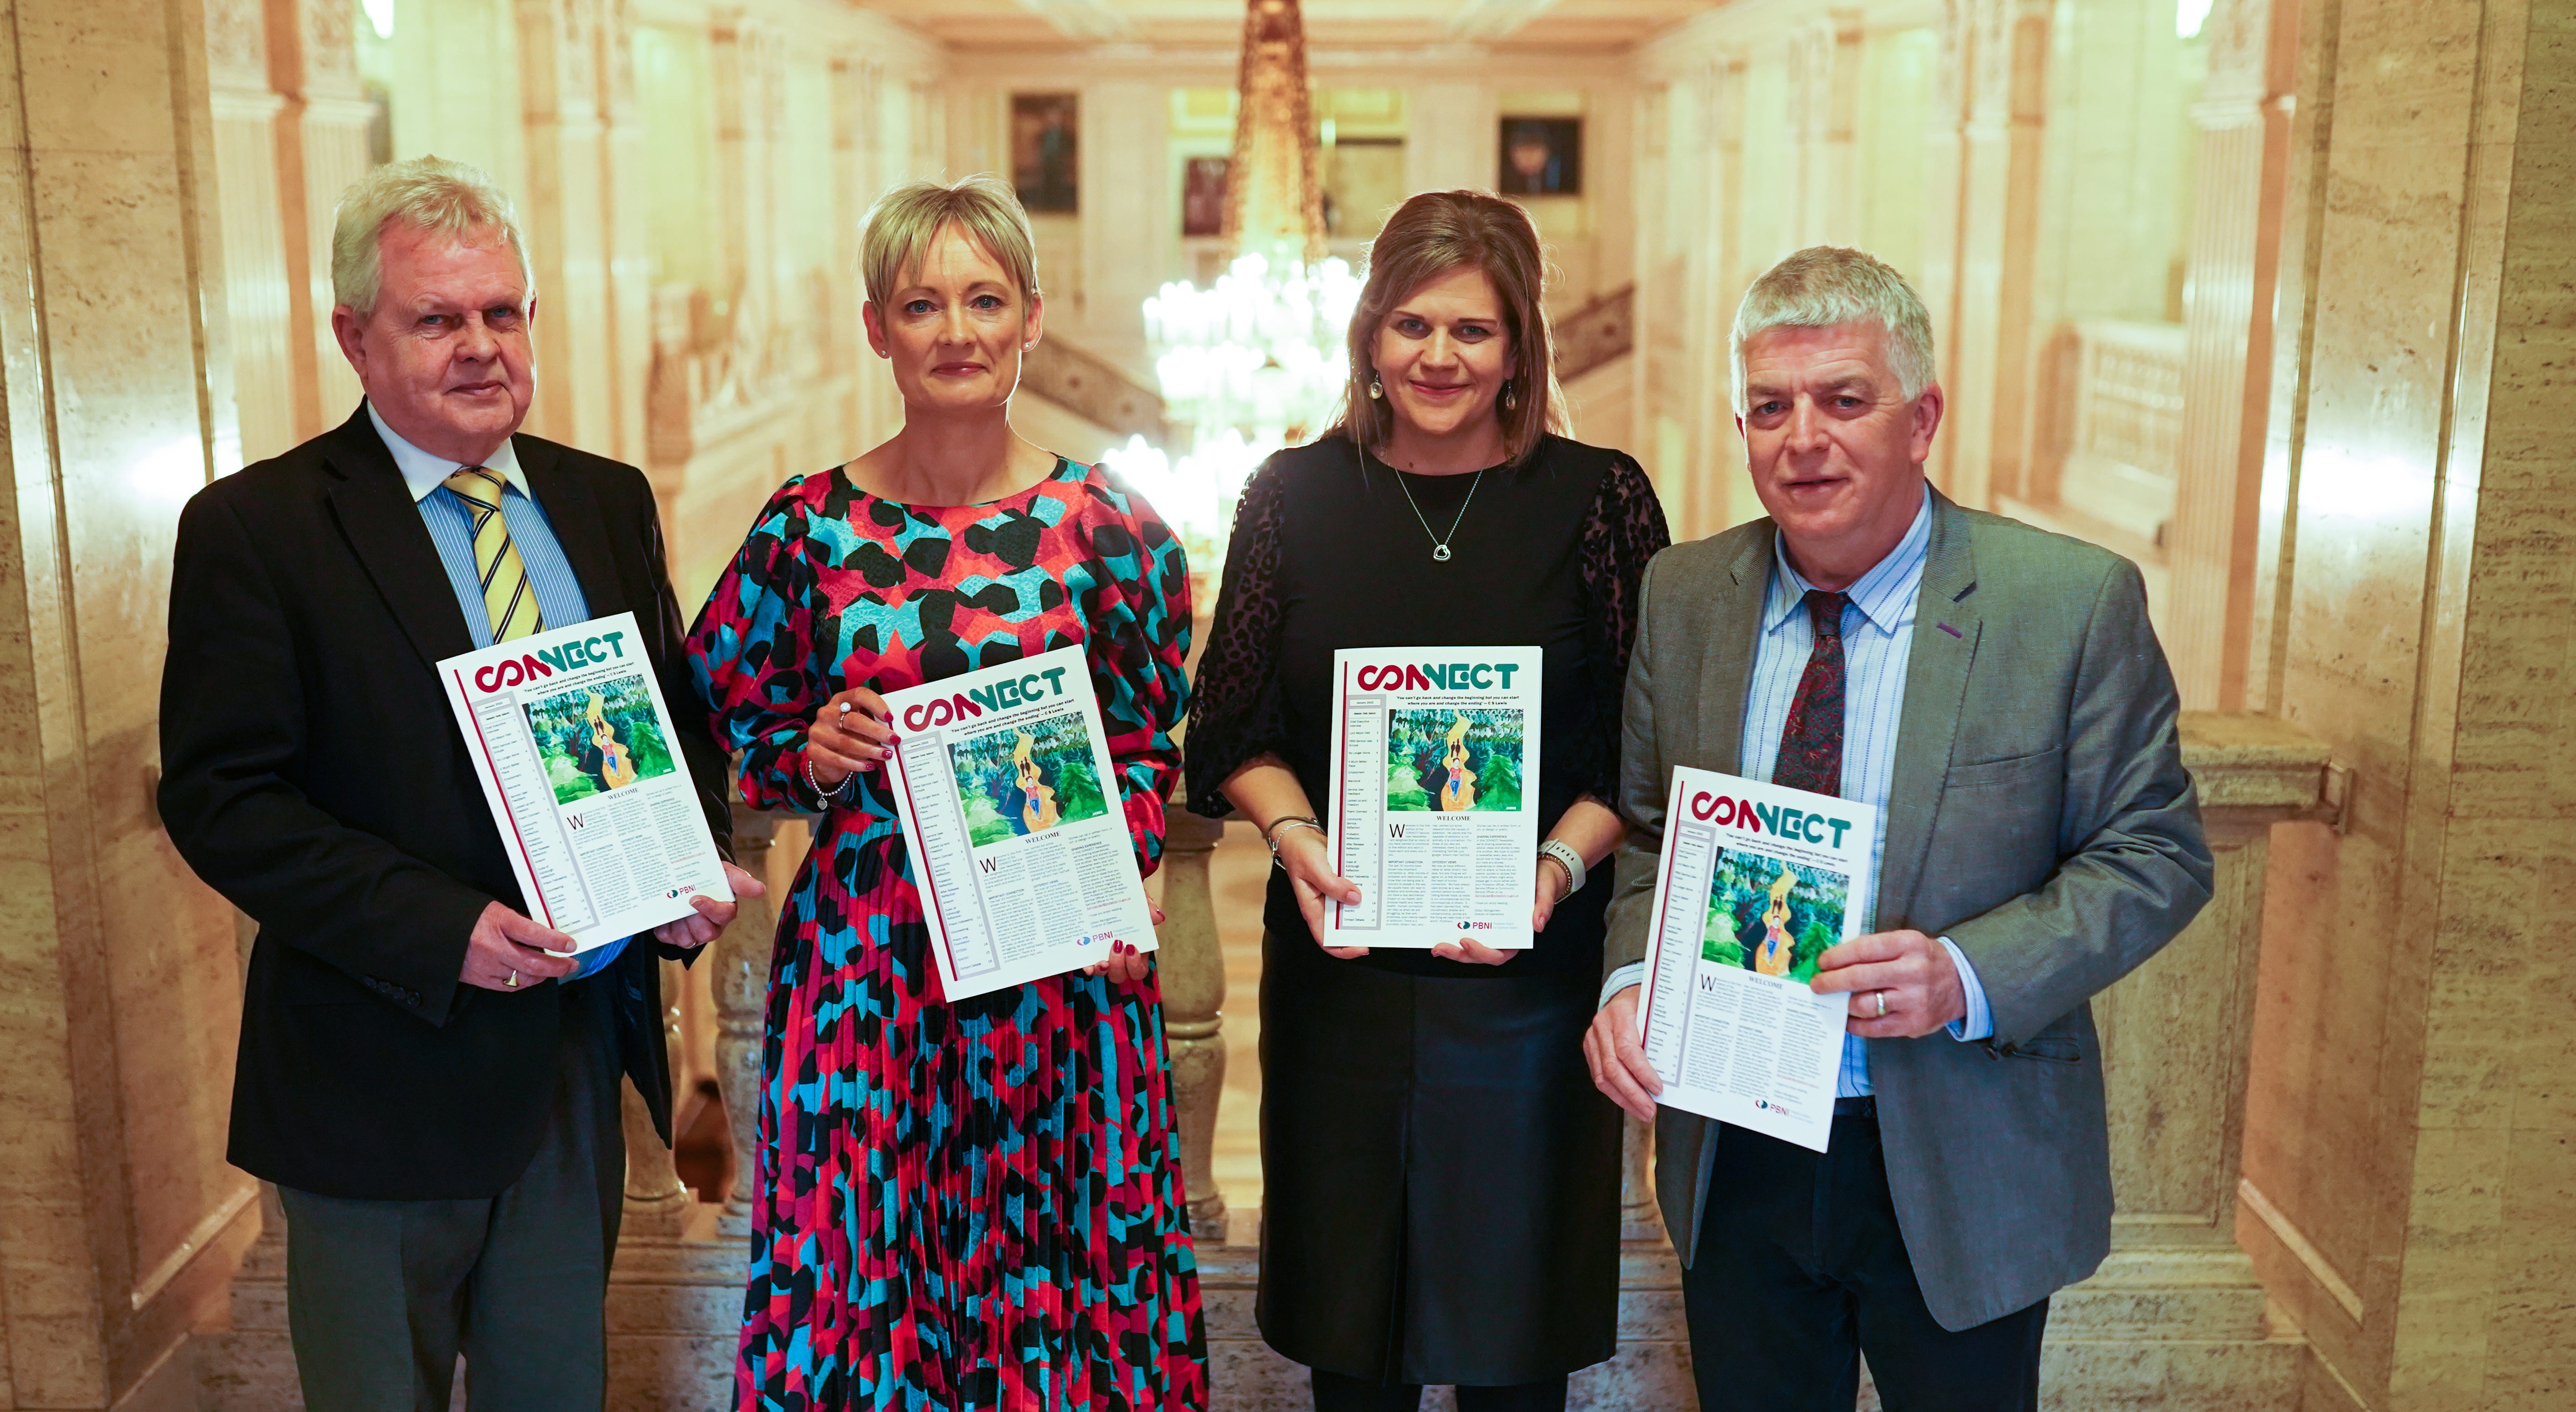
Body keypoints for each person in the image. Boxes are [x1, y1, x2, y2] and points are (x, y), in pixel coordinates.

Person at [157, 155, 757, 1410]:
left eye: (503, 311)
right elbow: (224, 798)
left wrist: (686, 856)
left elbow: (671, 717)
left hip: (574, 1061)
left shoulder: (604, 498)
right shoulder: (258, 530)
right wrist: (446, 931)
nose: (482, 346)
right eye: (438, 318)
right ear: (354, 337)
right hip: (376, 1074)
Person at [1581, 245, 2214, 1412]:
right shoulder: (1683, 596)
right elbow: (1653, 834)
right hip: (1740, 1138)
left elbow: (2157, 854)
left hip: (1961, 1144)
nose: (1801, 438)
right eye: (1770, 407)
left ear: (1920, 419)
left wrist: (1965, 972)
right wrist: (1630, 974)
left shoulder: (2067, 604)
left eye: (1843, 400)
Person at [688, 175, 1205, 1410]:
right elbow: (719, 722)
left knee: (1058, 1277)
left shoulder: (1115, 528)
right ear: (878, 327)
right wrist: (803, 754)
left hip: (1054, 973)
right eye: (924, 303)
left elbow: (1144, 743)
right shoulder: (804, 528)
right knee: (865, 1278)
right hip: (870, 969)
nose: (957, 331)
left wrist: (1117, 867)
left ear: (1033, 315)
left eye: (985, 299)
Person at [1186, 189, 1671, 1412]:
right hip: (1341, 975)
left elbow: (1642, 740)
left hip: (1528, 980)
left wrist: (1549, 873)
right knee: (1353, 1348)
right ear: (1368, 336)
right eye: (1412, 325)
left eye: (1473, 330)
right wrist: (1297, 838)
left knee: (1516, 1353)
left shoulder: (1600, 497)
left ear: (1519, 348)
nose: (1439, 357)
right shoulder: (1290, 493)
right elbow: (1231, 723)